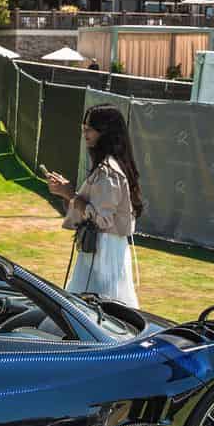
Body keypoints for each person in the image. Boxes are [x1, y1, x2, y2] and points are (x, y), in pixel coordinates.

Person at [46, 104, 142, 308]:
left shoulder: (109, 172)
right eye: (83, 128)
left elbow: (102, 220)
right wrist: (66, 194)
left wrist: (70, 193)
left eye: (89, 129)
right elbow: (90, 210)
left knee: (100, 308)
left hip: (104, 251)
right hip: (100, 248)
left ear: (105, 132)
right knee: (87, 307)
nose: (85, 134)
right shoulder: (106, 168)